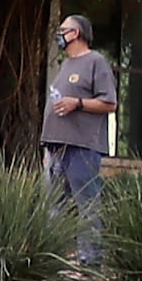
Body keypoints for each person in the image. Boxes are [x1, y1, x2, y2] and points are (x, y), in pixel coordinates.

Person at [41, 15, 114, 205]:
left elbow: (110, 103)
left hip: (81, 148)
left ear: (75, 33)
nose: (58, 35)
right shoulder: (66, 64)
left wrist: (78, 103)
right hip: (56, 147)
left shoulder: (96, 62)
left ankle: (89, 237)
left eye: (62, 31)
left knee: (86, 206)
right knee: (54, 208)